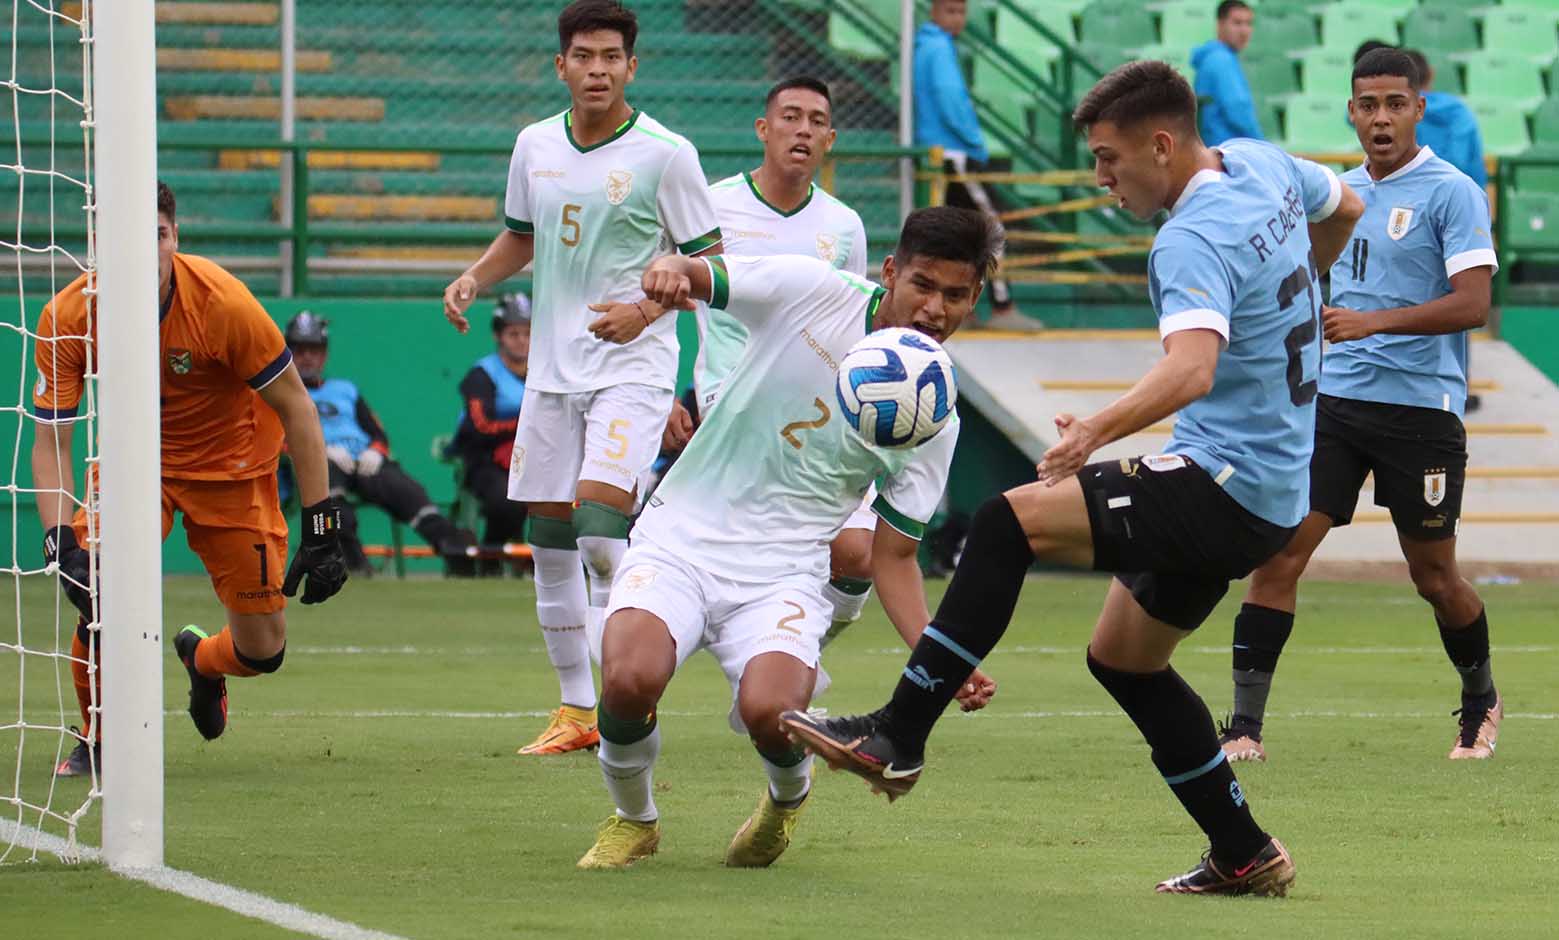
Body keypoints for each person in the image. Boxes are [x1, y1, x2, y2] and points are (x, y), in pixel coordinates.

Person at [782, 60, 1365, 897]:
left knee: (1004, 523)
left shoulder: (1190, 236)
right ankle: (1243, 852)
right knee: (1124, 660)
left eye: (1108, 158)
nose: (1100, 179)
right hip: (1271, 486)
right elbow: (1345, 204)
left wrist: (1093, 430)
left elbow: (1192, 370)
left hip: (1223, 480)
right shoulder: (1261, 163)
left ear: (1160, 145)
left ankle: (897, 736)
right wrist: (1296, 292)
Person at [572, 205, 1000, 871]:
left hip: (783, 572)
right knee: (629, 679)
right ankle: (635, 819)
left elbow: (894, 555)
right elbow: (700, 275)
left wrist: (942, 658)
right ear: (889, 272)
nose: (933, 309)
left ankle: (783, 802)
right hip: (679, 535)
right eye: (921, 284)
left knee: (773, 713)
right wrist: (667, 268)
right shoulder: (814, 290)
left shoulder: (934, 418)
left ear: (975, 297)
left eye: (954, 295)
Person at [440, 0, 722, 756]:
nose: (596, 69)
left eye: (610, 57)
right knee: (552, 539)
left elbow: (714, 266)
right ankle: (576, 711)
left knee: (601, 533)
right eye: (583, 56)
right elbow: (520, 236)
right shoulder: (534, 144)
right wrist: (473, 276)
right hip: (553, 375)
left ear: (633, 66)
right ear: (560, 65)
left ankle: (633, 692)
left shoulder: (666, 154)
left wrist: (641, 311)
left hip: (632, 366)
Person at [1218, 48, 1501, 765]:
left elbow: (1473, 304)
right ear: (1350, 110)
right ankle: (1243, 727)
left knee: (1432, 577)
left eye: (1393, 104)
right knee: (1280, 558)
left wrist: (1371, 322)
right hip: (1331, 405)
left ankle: (1478, 701)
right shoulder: (1331, 196)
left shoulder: (1451, 192)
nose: (1380, 118)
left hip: (1419, 411)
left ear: (1417, 110)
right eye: (1366, 104)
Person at [35, 181, 347, 774]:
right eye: (131, 236)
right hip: (134, 468)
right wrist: (59, 539)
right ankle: (96, 737)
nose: (147, 248)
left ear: (174, 238)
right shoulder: (69, 316)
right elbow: (51, 436)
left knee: (263, 650)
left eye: (158, 234)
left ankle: (201, 662)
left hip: (235, 469)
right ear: (99, 244)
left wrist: (322, 526)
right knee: (97, 591)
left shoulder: (222, 304)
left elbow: (298, 410)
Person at [695, 75, 879, 649]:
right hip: (733, 404)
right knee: (738, 563)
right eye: (791, 116)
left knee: (856, 557)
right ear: (763, 128)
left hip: (819, 410)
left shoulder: (843, 226)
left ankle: (794, 659)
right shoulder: (712, 207)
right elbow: (669, 295)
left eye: (816, 121)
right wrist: (674, 396)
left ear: (830, 139)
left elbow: (854, 321)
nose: (803, 130)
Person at [283, 312, 475, 577]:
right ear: (288, 353)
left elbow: (377, 433)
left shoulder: (346, 390)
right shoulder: (282, 394)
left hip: (362, 461)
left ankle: (457, 555)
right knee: (334, 506)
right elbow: (276, 440)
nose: (307, 357)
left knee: (408, 491)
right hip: (318, 465)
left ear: (324, 355)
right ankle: (356, 567)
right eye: (300, 350)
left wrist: (374, 451)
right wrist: (317, 452)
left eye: (314, 350)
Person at [913, 0, 1030, 329]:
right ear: (933, 11)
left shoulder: (927, 47)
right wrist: (974, 141)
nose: (957, 18)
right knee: (991, 229)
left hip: (939, 151)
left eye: (961, 11)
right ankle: (1002, 307)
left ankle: (961, 309)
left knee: (953, 237)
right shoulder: (939, 50)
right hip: (955, 152)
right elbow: (951, 100)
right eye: (950, 11)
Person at [450, 293, 532, 575]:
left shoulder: (547, 370)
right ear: (499, 336)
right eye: (513, 333)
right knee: (506, 499)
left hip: (534, 456)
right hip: (485, 458)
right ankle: (491, 555)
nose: (522, 340)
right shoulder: (483, 374)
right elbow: (479, 426)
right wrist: (520, 429)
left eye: (528, 333)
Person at [1192, 1, 1261, 145]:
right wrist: (1265, 147)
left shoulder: (1212, 58)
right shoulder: (1221, 60)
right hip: (1227, 154)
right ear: (1220, 25)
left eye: (1249, 23)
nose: (1244, 31)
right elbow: (1238, 110)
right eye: (1237, 23)